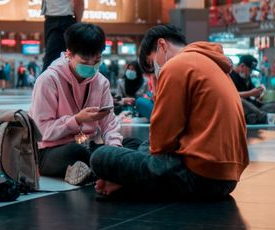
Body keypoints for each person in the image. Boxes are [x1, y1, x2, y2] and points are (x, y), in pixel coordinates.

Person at [91, 24, 249, 201]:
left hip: (201, 175)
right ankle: (129, 183)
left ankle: (128, 181)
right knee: (135, 144)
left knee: (101, 156)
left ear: (162, 45)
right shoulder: (210, 62)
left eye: (153, 63)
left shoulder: (176, 65)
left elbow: (162, 142)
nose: (156, 72)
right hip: (227, 177)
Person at [29, 23, 123, 185]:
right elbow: (41, 131)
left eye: (97, 60)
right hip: (50, 151)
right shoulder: (48, 80)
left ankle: (97, 169)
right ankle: (106, 170)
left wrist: (115, 149)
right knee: (76, 152)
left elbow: (109, 123)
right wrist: (76, 120)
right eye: (85, 60)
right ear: (69, 54)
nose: (91, 66)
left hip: (87, 145)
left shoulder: (101, 82)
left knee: (130, 144)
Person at [230, 54, 275, 125]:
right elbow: (231, 95)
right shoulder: (230, 76)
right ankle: (262, 116)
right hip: (240, 107)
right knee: (240, 100)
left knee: (274, 105)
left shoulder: (246, 76)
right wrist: (250, 93)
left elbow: (253, 90)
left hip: (251, 107)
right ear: (242, 66)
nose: (250, 73)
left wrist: (259, 94)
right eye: (250, 70)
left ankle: (253, 117)